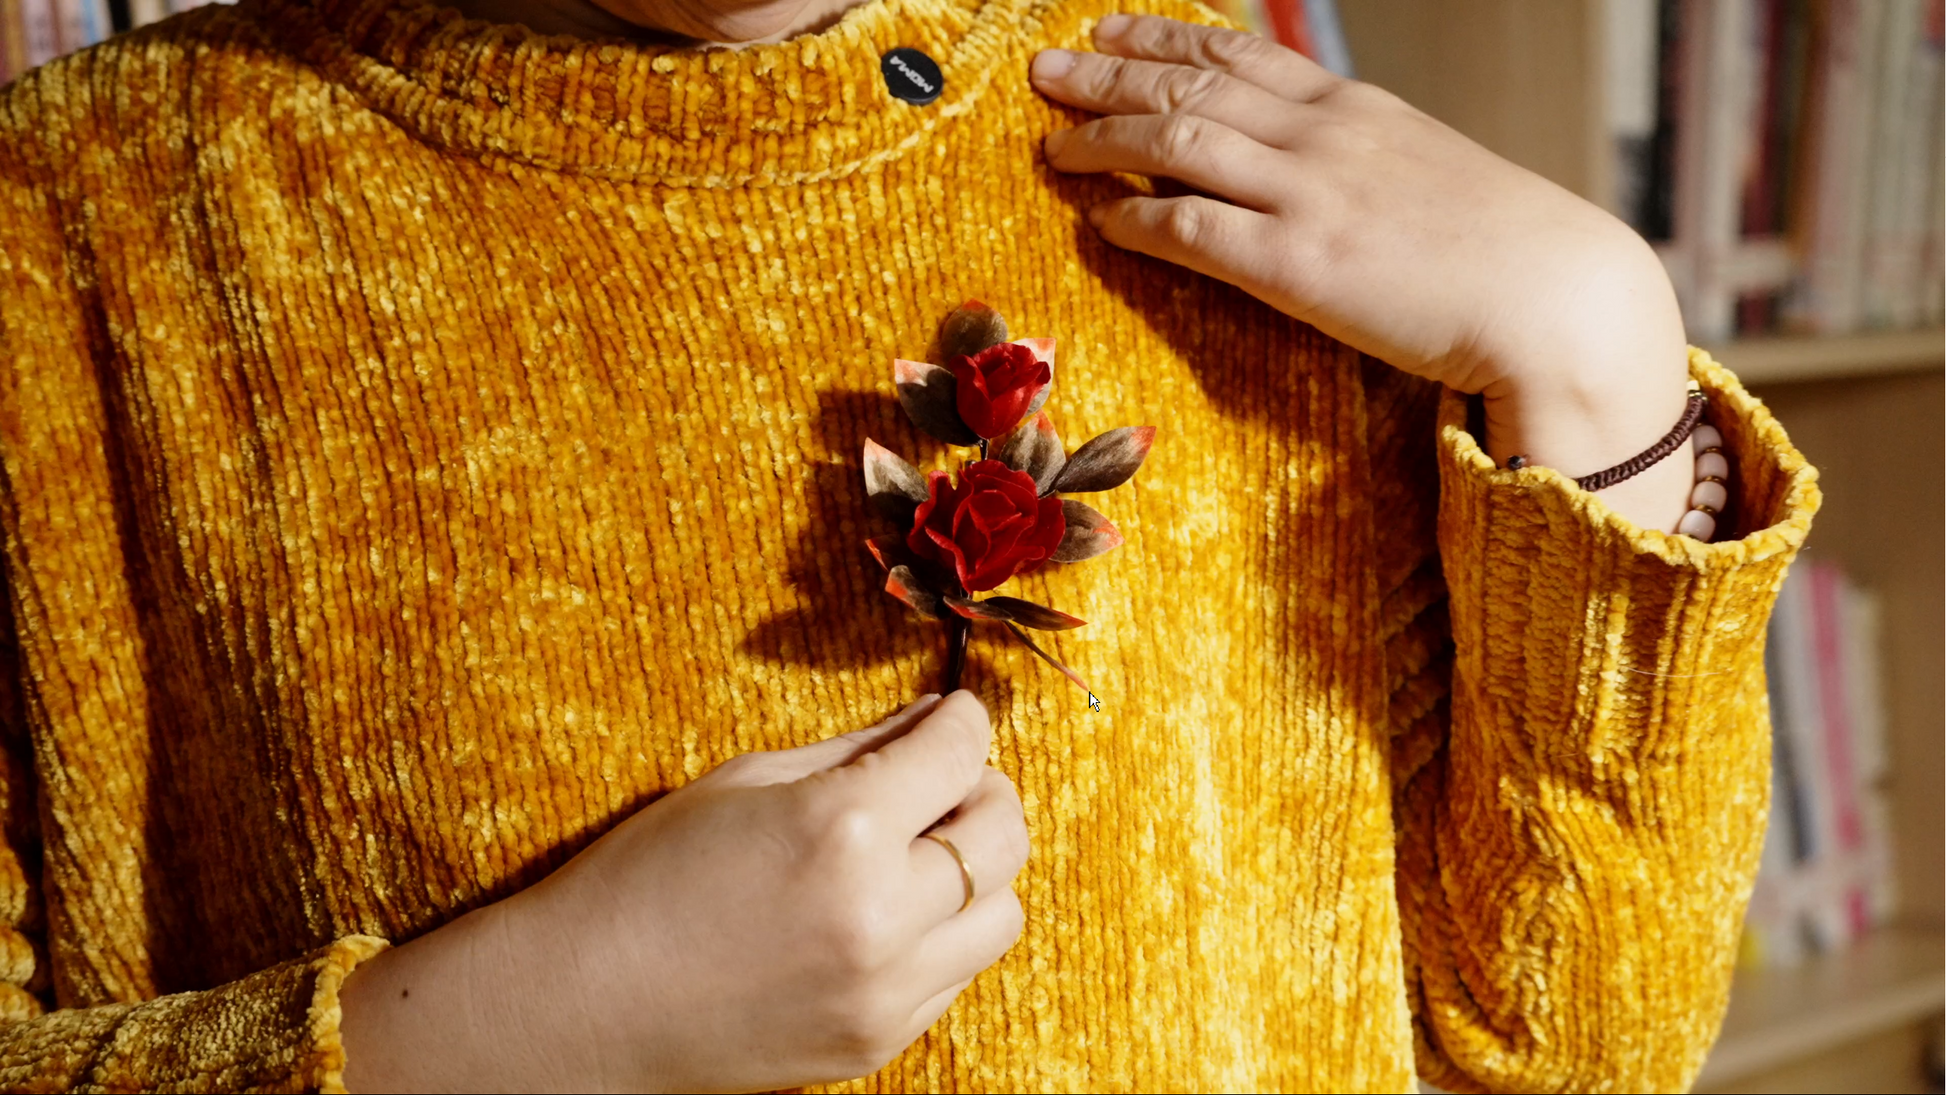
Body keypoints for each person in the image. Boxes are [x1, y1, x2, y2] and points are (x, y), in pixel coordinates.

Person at [0, 0, 1818, 1090]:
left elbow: (1566, 1052)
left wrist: (1598, 355)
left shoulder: (1219, 149)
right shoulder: (75, 224)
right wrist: (500, 1035)